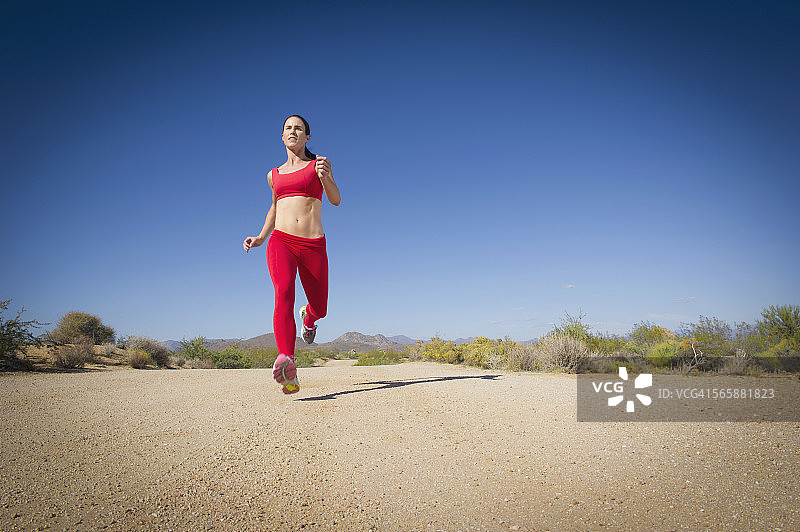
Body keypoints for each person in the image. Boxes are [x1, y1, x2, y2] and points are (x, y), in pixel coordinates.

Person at [243, 115, 341, 394]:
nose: (293, 131)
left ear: (307, 137)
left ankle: (308, 319)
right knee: (283, 293)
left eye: (299, 128)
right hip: (281, 242)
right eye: (288, 128)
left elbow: (335, 199)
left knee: (320, 307)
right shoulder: (273, 174)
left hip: (313, 244)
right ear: (282, 136)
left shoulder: (317, 164)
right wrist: (261, 237)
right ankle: (288, 362)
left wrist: (327, 177)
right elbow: (274, 208)